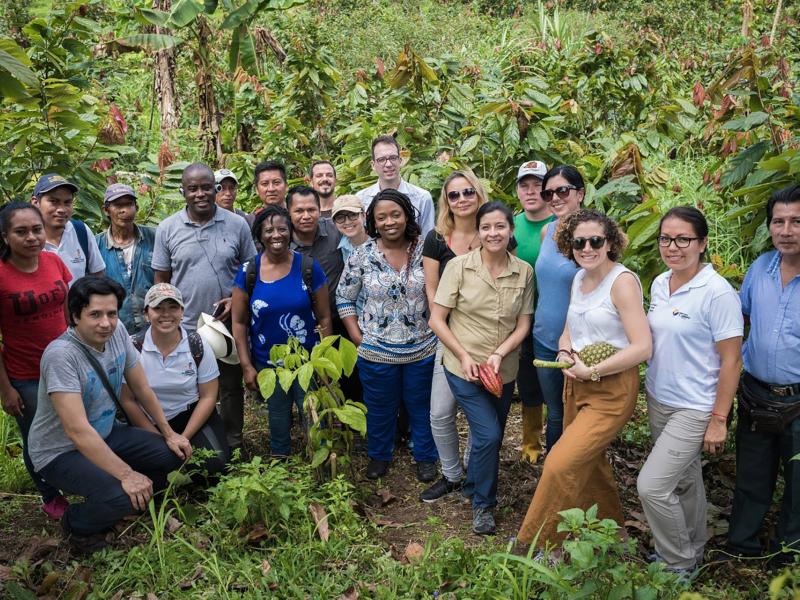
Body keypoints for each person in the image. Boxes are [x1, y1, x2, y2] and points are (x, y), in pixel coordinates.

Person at [27, 276, 192, 552]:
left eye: (112, 314)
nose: (106, 323)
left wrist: (169, 432)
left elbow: (141, 387)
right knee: (120, 496)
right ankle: (75, 523)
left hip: (105, 433)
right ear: (75, 316)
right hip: (60, 451)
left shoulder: (117, 333)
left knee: (170, 453)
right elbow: (77, 430)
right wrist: (127, 475)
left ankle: (133, 500)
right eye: (95, 314)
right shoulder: (61, 356)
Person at [518, 209, 652, 550]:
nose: (587, 248)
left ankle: (536, 546)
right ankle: (614, 538)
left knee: (559, 463)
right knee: (591, 465)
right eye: (579, 242)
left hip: (610, 390)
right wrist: (564, 350)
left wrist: (593, 371)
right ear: (569, 245)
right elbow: (569, 327)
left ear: (610, 242)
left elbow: (642, 347)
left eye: (595, 241)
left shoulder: (621, 283)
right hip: (577, 383)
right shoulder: (579, 278)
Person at [637, 206, 743, 574]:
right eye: (666, 238)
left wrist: (718, 419)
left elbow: (732, 361)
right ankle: (693, 548)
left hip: (695, 406)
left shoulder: (717, 293)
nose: (673, 247)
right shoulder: (660, 283)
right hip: (659, 397)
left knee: (652, 486)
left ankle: (677, 563)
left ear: (702, 243)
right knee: (683, 479)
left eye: (683, 239)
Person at [429, 201, 533, 534]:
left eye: (500, 226)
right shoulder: (459, 267)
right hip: (463, 368)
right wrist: (462, 355)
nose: (493, 233)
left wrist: (501, 353)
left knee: (491, 436)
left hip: (503, 370)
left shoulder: (524, 272)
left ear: (511, 229)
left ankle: (473, 484)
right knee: (488, 435)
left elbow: (523, 324)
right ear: (478, 231)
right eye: (486, 227)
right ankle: (483, 505)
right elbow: (437, 319)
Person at [419, 170, 517, 502]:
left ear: (478, 194)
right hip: (449, 336)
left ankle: (474, 470)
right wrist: (445, 329)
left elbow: (507, 282)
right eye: (454, 195)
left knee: (482, 415)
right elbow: (432, 290)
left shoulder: (495, 232)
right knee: (440, 411)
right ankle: (451, 474)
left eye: (468, 192)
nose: (462, 200)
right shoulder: (437, 238)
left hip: (488, 338)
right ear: (446, 201)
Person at [152, 163, 256, 450]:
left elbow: (251, 270)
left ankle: (233, 444)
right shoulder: (167, 228)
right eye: (193, 189)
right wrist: (167, 320)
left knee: (231, 386)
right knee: (191, 387)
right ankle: (198, 445)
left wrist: (235, 299)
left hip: (227, 325)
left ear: (216, 189)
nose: (200, 194)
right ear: (182, 191)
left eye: (206, 187)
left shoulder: (236, 224)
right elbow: (161, 279)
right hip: (186, 327)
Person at [337, 189, 438, 481]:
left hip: (422, 348)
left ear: (407, 215)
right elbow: (344, 297)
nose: (389, 222)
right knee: (380, 408)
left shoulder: (425, 251)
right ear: (373, 221)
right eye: (382, 217)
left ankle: (425, 456)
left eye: (396, 214)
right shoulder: (361, 255)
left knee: (421, 407)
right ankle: (379, 455)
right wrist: (358, 337)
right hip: (376, 351)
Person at [728, 184, 800, 567]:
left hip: (798, 399)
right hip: (756, 393)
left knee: (799, 483)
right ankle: (741, 547)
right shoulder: (760, 269)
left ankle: (788, 556)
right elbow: (741, 319)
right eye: (778, 221)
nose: (786, 231)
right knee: (751, 476)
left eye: (796, 222)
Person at [231, 205, 331, 456]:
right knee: (277, 417)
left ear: (291, 232)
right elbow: (239, 322)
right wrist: (247, 366)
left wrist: (324, 359)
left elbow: (324, 317)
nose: (276, 235)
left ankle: (319, 464)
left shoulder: (308, 267)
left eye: (282, 229)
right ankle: (280, 461)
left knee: (313, 416)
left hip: (308, 363)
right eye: (268, 230)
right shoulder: (249, 271)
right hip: (268, 365)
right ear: (259, 235)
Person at [0, 202, 72, 520]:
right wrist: (6, 390)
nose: (31, 237)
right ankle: (50, 495)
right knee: (36, 437)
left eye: (36, 229)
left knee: (74, 426)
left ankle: (79, 479)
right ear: (5, 236)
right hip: (26, 374)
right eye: (21, 231)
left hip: (65, 365)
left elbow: (68, 312)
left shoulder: (54, 261)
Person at [119, 283, 229, 476]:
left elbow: (208, 396)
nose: (166, 314)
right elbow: (127, 400)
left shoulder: (197, 344)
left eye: (173, 307)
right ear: (146, 314)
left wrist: (183, 438)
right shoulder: (133, 347)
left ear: (182, 312)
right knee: (158, 469)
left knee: (213, 466)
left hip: (190, 416)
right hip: (149, 421)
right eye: (158, 308)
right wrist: (161, 439)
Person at [532, 165, 584, 452]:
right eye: (548, 193)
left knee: (578, 413)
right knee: (554, 411)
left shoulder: (594, 236)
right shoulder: (548, 230)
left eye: (562, 190)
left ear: (580, 193)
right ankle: (553, 471)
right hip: (544, 338)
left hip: (579, 343)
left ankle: (577, 471)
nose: (554, 198)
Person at [513, 160, 554, 464]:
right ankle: (531, 443)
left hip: (554, 319)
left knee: (556, 382)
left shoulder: (562, 225)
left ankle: (560, 439)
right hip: (522, 318)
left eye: (537, 185)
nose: (531, 191)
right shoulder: (510, 225)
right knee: (528, 382)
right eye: (524, 185)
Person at [96, 183, 156, 335]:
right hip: (114, 330)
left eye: (129, 204)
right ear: (106, 210)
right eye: (118, 205)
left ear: (136, 207)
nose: (125, 210)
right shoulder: (96, 246)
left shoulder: (155, 238)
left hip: (153, 327)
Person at [31, 173, 105, 283]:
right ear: (35, 203)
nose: (62, 209)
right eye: (54, 201)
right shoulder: (27, 239)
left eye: (67, 202)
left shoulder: (81, 231)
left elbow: (98, 274)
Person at [356, 135, 435, 237]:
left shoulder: (422, 197)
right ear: (373, 165)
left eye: (393, 158)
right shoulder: (361, 199)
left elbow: (427, 238)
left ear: (400, 161)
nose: (388, 164)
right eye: (381, 159)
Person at [288, 185, 344, 311]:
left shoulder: (336, 230)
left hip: (339, 315)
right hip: (300, 317)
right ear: (289, 213)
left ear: (319, 210)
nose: (306, 216)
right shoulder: (282, 242)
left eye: (311, 210)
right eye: (299, 211)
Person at [332, 194, 369, 263]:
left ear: (364, 215)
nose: (347, 222)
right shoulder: (342, 247)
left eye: (353, 215)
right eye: (340, 217)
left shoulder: (380, 242)